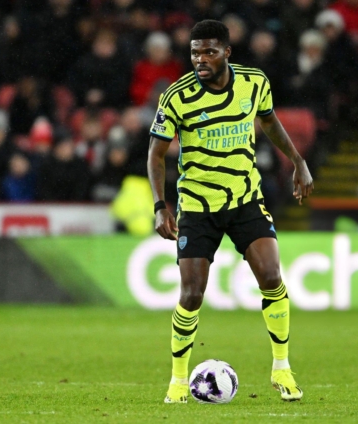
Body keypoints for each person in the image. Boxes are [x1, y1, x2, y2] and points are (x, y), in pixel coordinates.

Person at [147, 20, 313, 403]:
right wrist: (159, 206)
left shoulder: (254, 83)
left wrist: (298, 161)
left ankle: (282, 368)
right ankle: (177, 380)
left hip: (245, 199)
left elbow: (269, 121)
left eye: (208, 52)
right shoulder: (177, 97)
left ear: (226, 52)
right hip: (198, 207)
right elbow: (156, 154)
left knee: (271, 276)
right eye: (194, 53)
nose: (200, 59)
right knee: (192, 294)